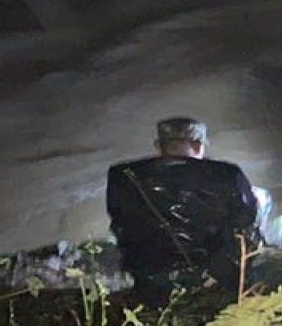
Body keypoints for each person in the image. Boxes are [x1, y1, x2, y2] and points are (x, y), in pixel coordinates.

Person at [106, 117, 260, 303]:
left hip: (151, 278)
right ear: (197, 145)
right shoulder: (226, 174)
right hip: (214, 276)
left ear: (159, 146)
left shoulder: (122, 176)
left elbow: (120, 224)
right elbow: (246, 224)